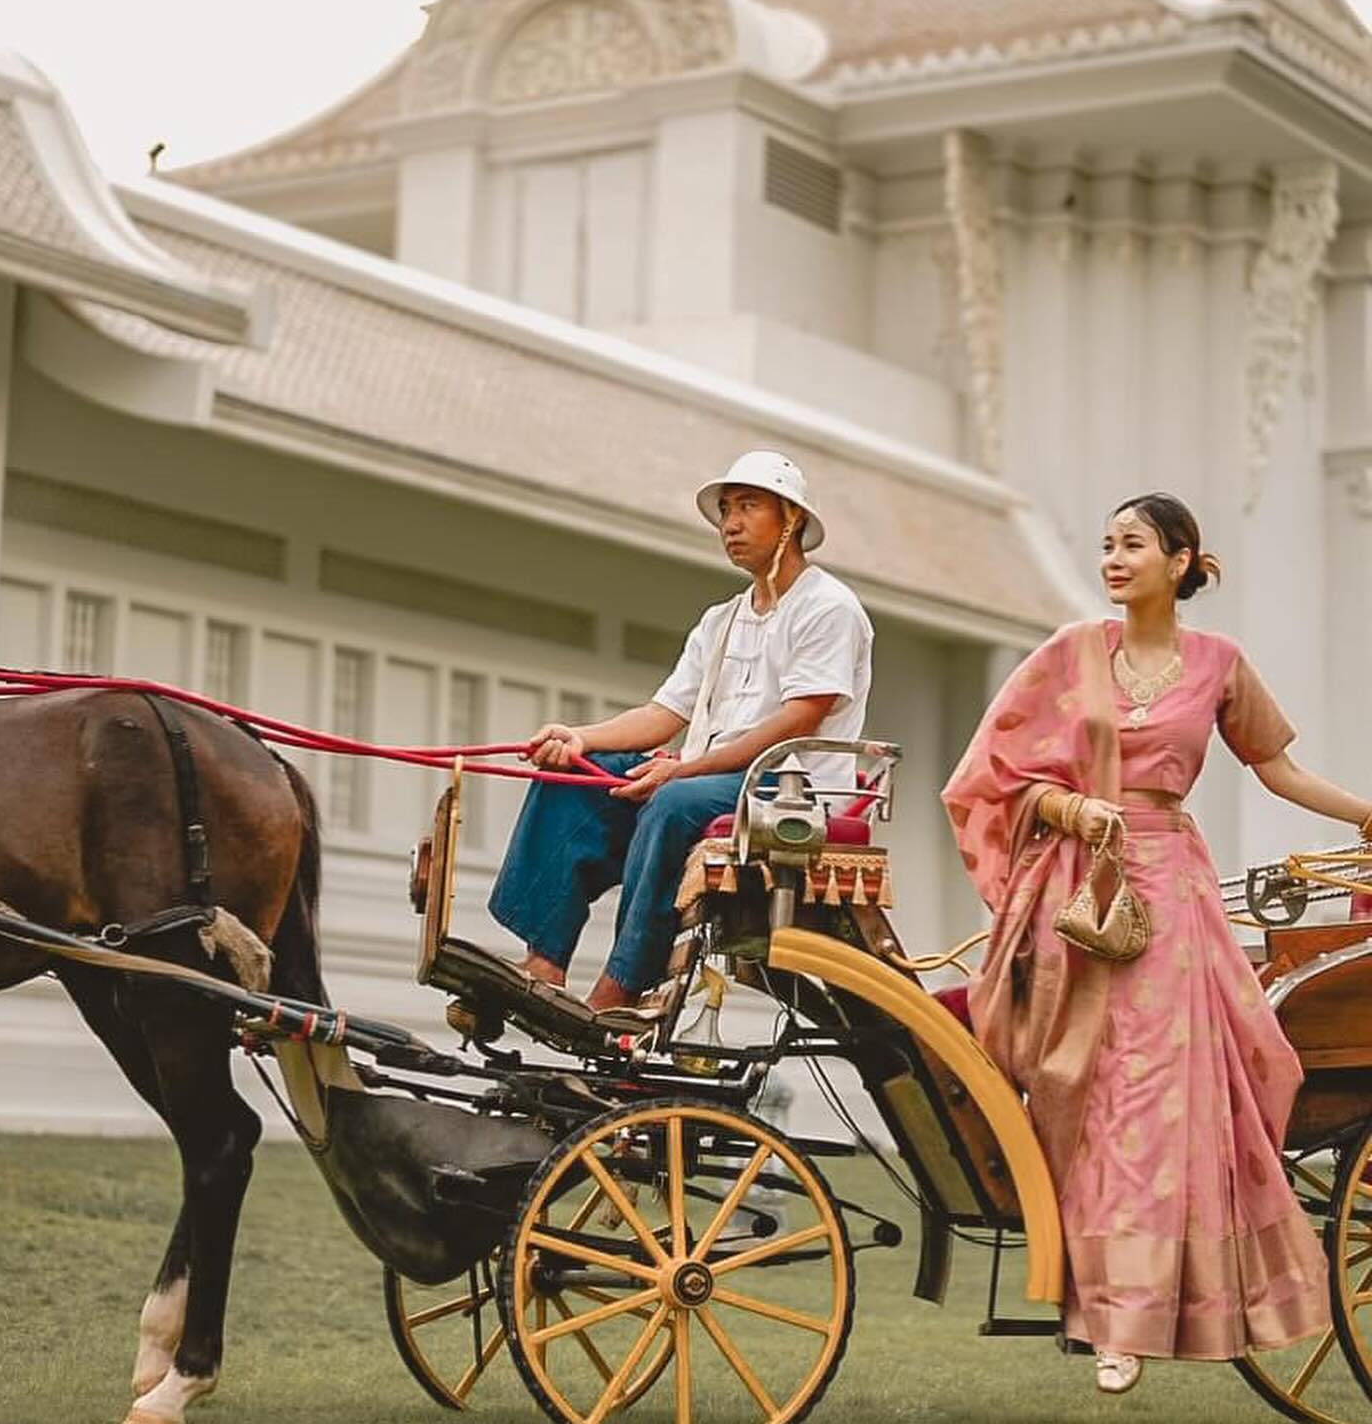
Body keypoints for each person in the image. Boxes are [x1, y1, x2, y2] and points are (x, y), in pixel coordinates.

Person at [942, 492, 1372, 1395]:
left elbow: (1278, 768)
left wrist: (1369, 813)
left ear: (1180, 561)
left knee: (1160, 1100)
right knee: (1084, 1090)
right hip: (1077, 897)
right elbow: (993, 777)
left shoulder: (1219, 664)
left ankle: (1131, 1320)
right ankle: (1092, 1299)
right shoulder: (1069, 654)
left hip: (1169, 898)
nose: (1113, 558)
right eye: (1105, 543)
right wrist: (1069, 805)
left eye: (1132, 544)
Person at [490, 450, 873, 1013]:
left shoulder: (829, 608)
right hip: (715, 779)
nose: (731, 524)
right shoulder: (721, 620)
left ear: (790, 519)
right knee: (573, 776)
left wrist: (683, 769)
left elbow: (799, 719)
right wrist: (580, 738)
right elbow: (664, 713)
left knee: (674, 799)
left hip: (791, 793)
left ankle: (625, 982)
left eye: (748, 507)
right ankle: (545, 961)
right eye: (725, 511)